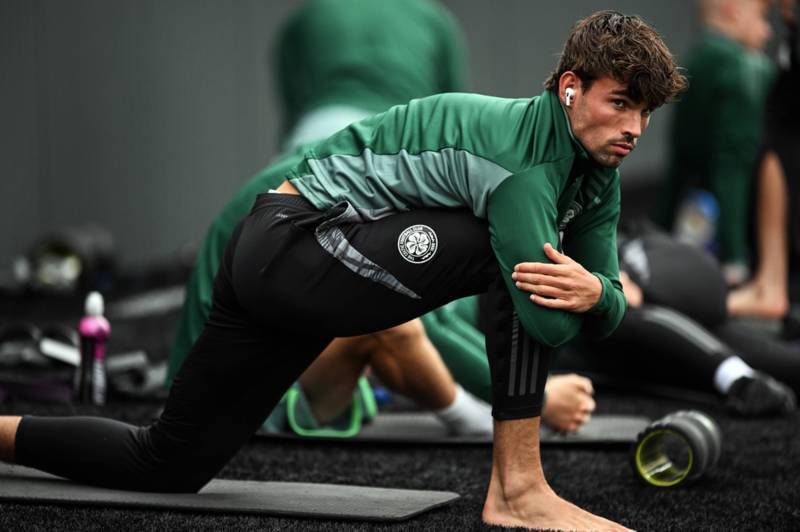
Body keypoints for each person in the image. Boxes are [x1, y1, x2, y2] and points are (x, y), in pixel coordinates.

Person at [0, 11, 686, 531]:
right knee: (503, 256)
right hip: (291, 243)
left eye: (645, 112)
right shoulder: (524, 166)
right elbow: (549, 321)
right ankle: (518, 490)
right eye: (619, 103)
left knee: (168, 462)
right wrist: (594, 295)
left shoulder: (597, 180)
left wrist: (596, 293)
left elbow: (604, 305)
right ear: (570, 89)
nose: (634, 127)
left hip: (284, 259)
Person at [656, 0, 786, 315]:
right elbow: (733, 165)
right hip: (737, 239)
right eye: (761, 18)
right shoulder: (744, 66)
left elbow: (679, 163)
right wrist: (736, 258)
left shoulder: (694, 62)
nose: (768, 32)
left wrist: (660, 233)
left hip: (691, 223)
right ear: (733, 9)